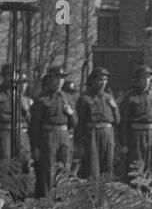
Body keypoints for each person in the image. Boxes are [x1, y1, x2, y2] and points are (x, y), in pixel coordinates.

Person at [29, 65, 76, 197]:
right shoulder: (42, 100)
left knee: (65, 168)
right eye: (57, 77)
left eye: (62, 78)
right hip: (48, 136)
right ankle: (45, 200)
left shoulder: (68, 98)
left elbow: (75, 123)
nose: (59, 80)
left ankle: (61, 199)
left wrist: (70, 113)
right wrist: (35, 147)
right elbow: (34, 126)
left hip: (65, 135)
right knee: (47, 169)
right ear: (50, 79)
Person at [118, 64, 152, 189]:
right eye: (143, 78)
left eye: (149, 78)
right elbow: (123, 122)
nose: (147, 81)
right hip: (137, 136)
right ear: (137, 80)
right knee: (137, 167)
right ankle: (136, 200)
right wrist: (123, 143)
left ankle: (151, 199)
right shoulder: (130, 97)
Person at [76, 66, 119, 188]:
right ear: (93, 81)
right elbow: (79, 123)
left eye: (105, 80)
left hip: (108, 134)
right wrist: (79, 142)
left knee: (107, 168)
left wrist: (114, 107)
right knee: (92, 170)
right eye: (100, 79)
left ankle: (106, 203)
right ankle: (92, 202)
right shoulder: (85, 98)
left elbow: (117, 120)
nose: (103, 82)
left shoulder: (109, 98)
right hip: (92, 135)